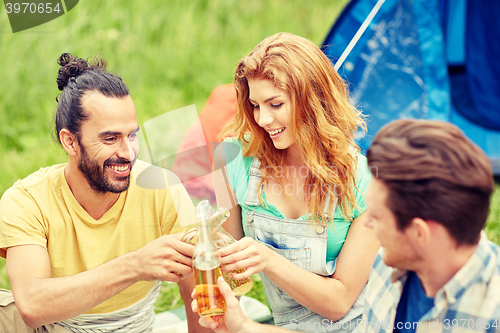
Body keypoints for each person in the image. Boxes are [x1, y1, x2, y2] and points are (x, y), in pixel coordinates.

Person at [193, 119, 500, 333]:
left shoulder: (489, 315)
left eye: (376, 217)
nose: (368, 227)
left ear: (419, 233)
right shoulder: (388, 271)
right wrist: (243, 328)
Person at [0, 53, 211, 333]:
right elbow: (31, 305)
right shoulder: (26, 200)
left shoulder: (162, 188)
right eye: (110, 138)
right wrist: (136, 265)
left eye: (132, 135)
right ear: (70, 142)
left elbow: (200, 297)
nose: (127, 153)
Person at [211, 32, 380, 332]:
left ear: (312, 101)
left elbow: (339, 303)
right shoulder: (230, 160)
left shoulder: (361, 179)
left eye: (275, 104)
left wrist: (267, 258)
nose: (262, 119)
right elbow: (231, 263)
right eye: (255, 105)